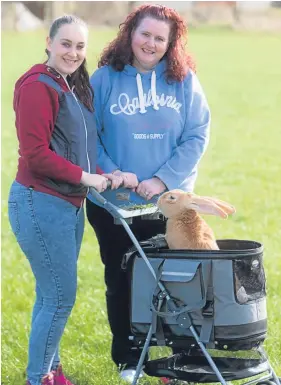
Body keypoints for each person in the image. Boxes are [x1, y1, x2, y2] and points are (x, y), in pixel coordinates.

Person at [86, 4, 211, 383]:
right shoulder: (104, 79)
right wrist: (115, 174)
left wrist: (163, 179)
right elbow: (88, 137)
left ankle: (178, 357)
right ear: (130, 33)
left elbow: (196, 135)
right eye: (145, 34)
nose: (151, 43)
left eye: (160, 38)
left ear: (171, 44)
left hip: (169, 203)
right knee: (121, 277)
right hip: (114, 202)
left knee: (175, 279)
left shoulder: (184, 80)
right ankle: (128, 357)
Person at [8, 15, 122, 385]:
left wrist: (107, 172)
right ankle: (38, 377)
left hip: (68, 205)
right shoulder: (38, 86)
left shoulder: (70, 84)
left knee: (50, 295)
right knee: (59, 297)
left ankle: (51, 372)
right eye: (66, 44)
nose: (73, 53)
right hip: (40, 203)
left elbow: (83, 147)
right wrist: (87, 178)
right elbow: (36, 154)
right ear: (49, 42)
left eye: (80, 46)